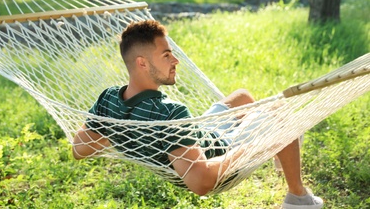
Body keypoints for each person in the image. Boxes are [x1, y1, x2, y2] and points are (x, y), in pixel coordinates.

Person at [72, 20, 323, 208]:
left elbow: (79, 149)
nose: (176, 60)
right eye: (166, 55)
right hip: (222, 149)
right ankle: (298, 196)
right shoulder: (170, 113)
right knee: (284, 116)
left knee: (242, 97)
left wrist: (122, 131)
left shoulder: (108, 98)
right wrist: (256, 147)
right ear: (142, 63)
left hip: (201, 134)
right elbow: (201, 182)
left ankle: (282, 152)